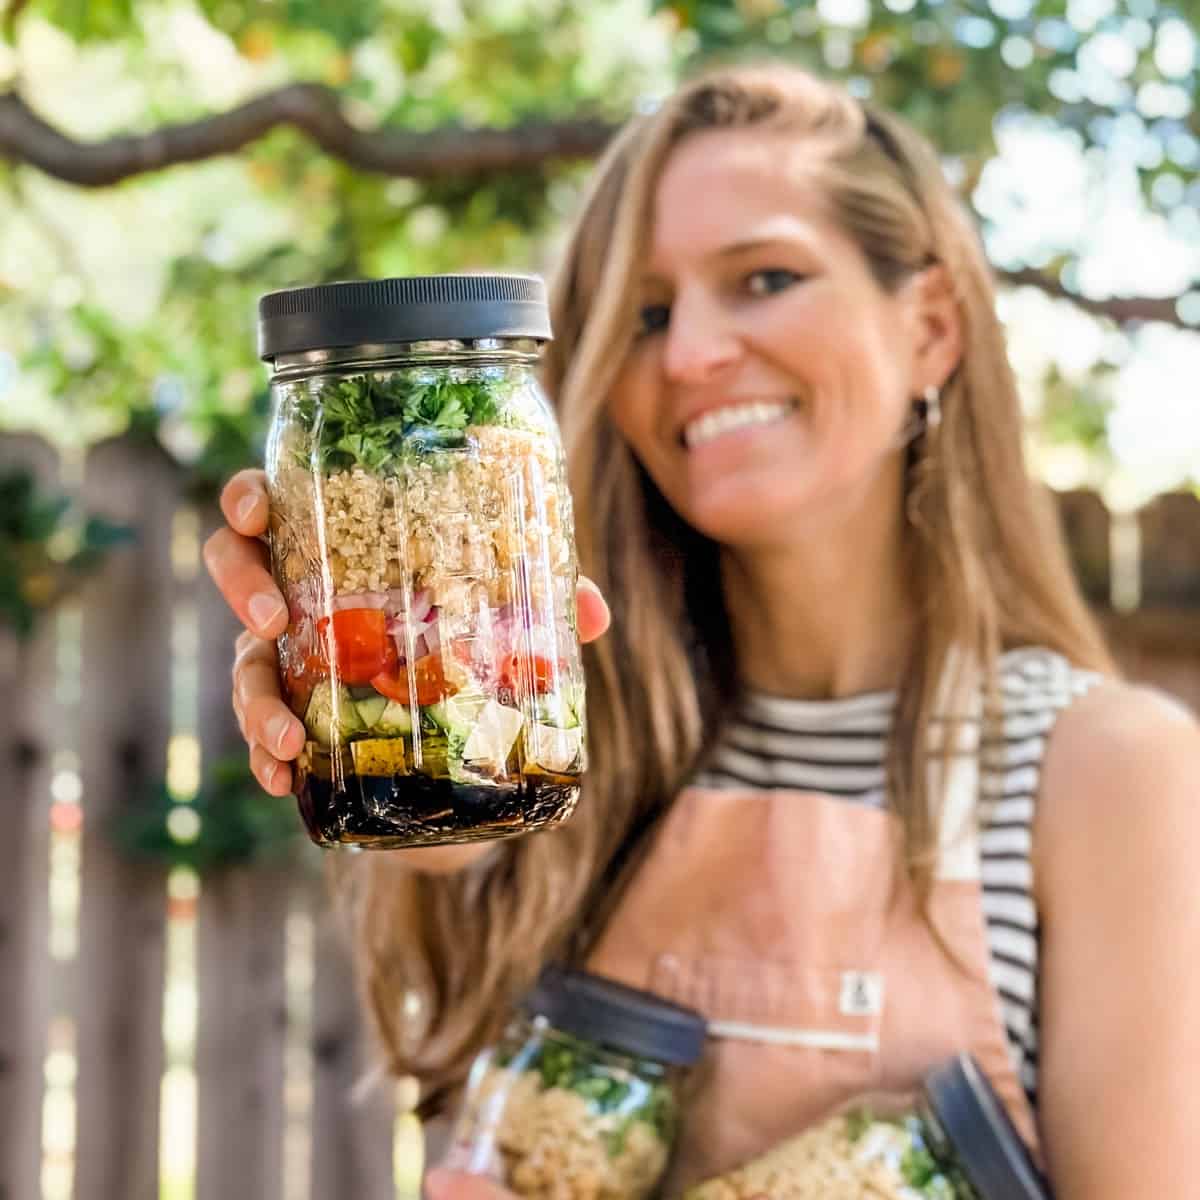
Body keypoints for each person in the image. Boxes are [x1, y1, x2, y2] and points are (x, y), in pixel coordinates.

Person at [204, 62, 1200, 1198]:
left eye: (765, 278)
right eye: (646, 314)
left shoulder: (1106, 775)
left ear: (930, 329)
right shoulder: (564, 746)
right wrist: (401, 723)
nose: (688, 357)